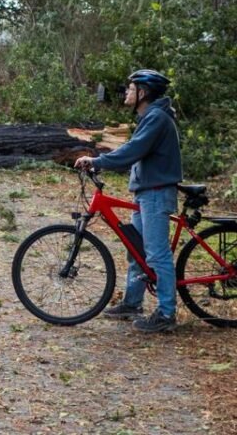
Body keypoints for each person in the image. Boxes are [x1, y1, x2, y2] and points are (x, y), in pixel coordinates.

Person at [74, 69, 183, 333]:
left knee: (157, 254)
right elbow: (133, 150)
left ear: (143, 93)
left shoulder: (156, 117)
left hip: (156, 193)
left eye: (131, 89)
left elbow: (133, 150)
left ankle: (167, 313)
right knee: (136, 251)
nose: (127, 92)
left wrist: (97, 161)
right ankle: (132, 303)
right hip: (146, 191)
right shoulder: (150, 116)